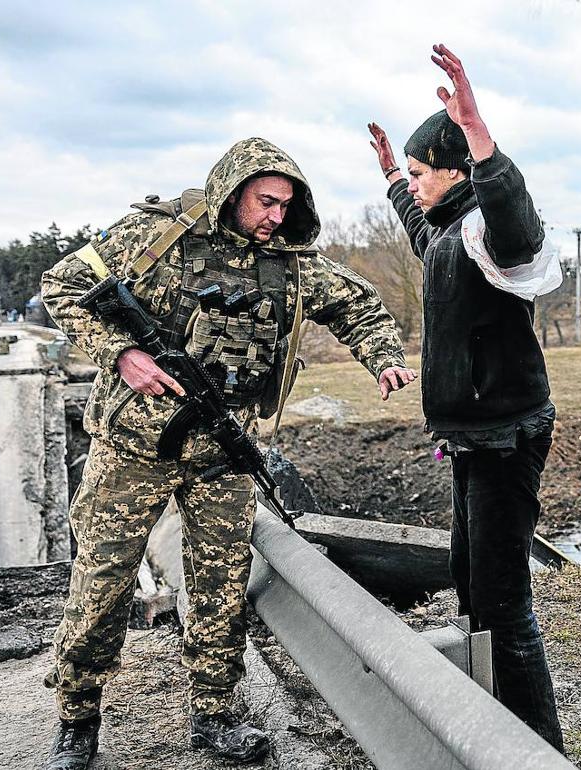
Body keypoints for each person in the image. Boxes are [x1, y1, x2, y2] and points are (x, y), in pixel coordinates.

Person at [39, 137, 416, 769]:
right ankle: (77, 719)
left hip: (222, 450)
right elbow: (63, 285)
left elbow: (358, 305)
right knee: (101, 582)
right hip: (134, 446)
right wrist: (122, 354)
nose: (276, 216)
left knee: (221, 585)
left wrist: (384, 359)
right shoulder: (158, 238)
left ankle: (215, 711)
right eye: (266, 201)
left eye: (286, 205)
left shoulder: (291, 264)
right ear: (232, 191)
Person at [367, 44, 565, 751]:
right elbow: (422, 230)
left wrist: (481, 135)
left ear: (456, 170)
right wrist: (393, 174)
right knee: (469, 578)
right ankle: (493, 726)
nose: (417, 184)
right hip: (471, 434)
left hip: (505, 435)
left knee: (504, 601)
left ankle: (539, 750)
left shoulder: (488, 226)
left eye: (423, 173)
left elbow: (519, 227)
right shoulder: (450, 231)